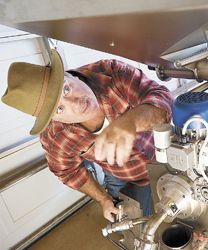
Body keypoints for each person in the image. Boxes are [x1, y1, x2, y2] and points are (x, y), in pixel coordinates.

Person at [1, 49, 172, 222]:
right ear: (53, 119)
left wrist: (131, 121)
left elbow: (162, 100)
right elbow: (68, 172)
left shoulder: (112, 73)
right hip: (119, 174)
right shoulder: (54, 136)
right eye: (60, 109)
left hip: (169, 161)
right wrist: (103, 199)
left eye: (66, 89)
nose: (76, 104)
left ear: (69, 75)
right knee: (139, 227)